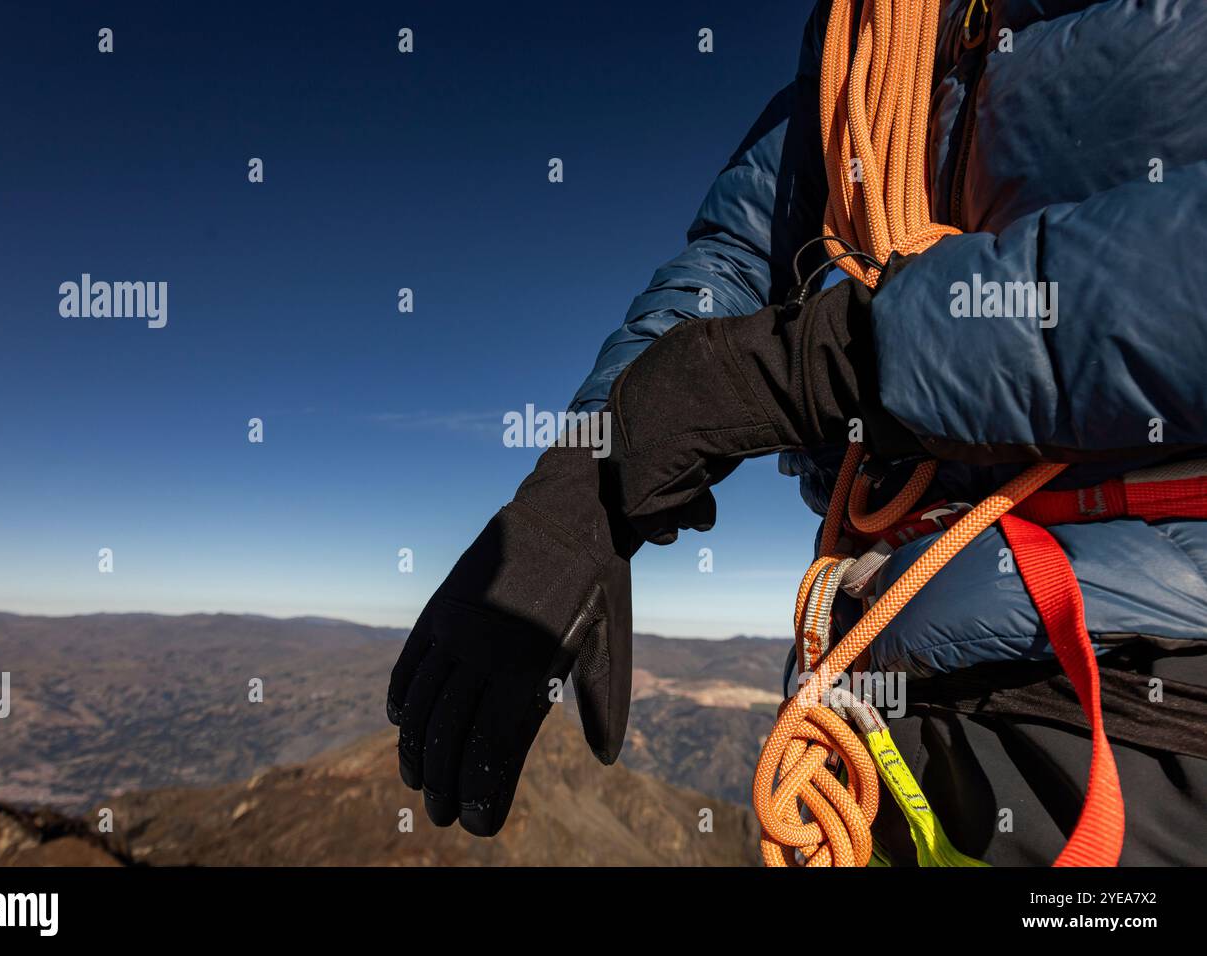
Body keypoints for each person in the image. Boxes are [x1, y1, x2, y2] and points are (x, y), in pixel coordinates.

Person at [387, 0, 1207, 864]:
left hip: (1146, 690)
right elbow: (738, 257)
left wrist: (825, 365)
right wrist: (589, 481)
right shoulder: (865, 29)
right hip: (883, 680)